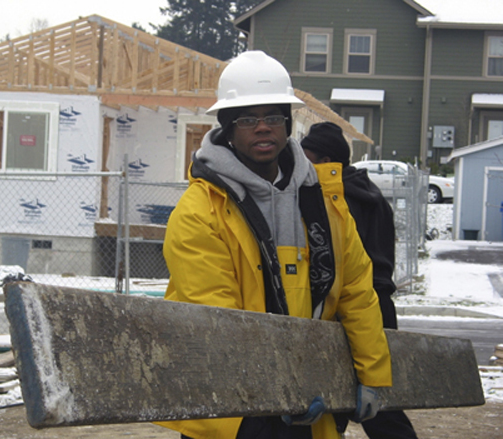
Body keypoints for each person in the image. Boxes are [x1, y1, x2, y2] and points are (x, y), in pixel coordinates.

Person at [160, 51, 392, 439]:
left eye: (273, 117)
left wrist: (373, 375)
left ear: (289, 124)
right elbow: (220, 321)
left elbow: (356, 292)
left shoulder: (325, 202)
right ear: (228, 128)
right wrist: (282, 388)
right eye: (248, 119)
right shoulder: (200, 211)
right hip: (231, 408)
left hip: (306, 404)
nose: (262, 128)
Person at [301, 122, 418, 439]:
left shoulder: (339, 201)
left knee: (353, 401)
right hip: (380, 305)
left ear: (326, 161)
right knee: (377, 405)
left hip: (355, 310)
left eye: (307, 157)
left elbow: (339, 266)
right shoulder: (371, 194)